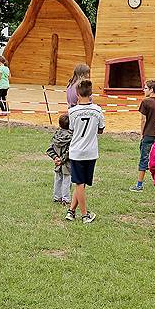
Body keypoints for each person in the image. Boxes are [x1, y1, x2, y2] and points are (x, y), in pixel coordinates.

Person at [66, 79, 104, 224]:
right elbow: (101, 129)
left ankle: (71, 211)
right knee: (81, 183)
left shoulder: (72, 111)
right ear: (91, 93)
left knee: (79, 183)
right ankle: (85, 215)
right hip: (91, 151)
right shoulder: (98, 110)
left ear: (76, 93)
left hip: (76, 151)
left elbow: (71, 129)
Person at [130, 79, 155, 192]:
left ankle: (139, 185)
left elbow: (143, 120)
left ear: (151, 90)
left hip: (148, 135)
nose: (143, 90)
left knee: (144, 159)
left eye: (145, 88)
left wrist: (142, 134)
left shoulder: (145, 102)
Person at [45, 113, 73, 205]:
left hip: (57, 163)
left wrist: (55, 158)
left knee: (58, 179)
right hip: (67, 164)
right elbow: (70, 151)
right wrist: (62, 159)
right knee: (67, 181)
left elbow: (50, 149)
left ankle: (57, 197)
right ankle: (66, 199)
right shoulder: (72, 136)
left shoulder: (56, 135)